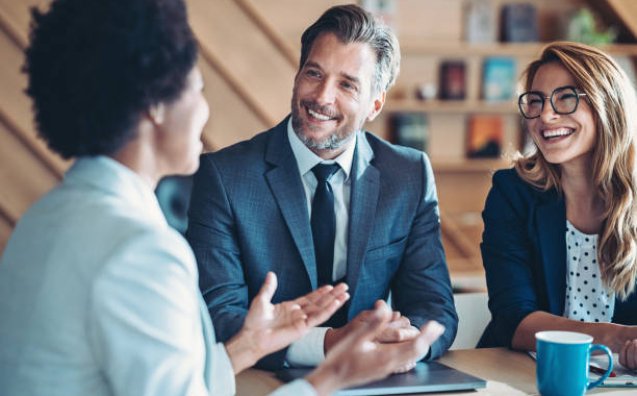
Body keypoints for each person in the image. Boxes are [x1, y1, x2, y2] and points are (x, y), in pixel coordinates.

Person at [0, 0, 445, 395]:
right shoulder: (140, 252)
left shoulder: (42, 219)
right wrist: (332, 375)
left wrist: (247, 346)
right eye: (198, 88)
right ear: (156, 104)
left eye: (347, 83)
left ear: (374, 103)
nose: (204, 110)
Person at [187, 3, 457, 370]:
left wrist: (406, 343)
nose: (322, 97)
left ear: (374, 105)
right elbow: (218, 316)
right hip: (261, 381)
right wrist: (331, 344)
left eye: (347, 84)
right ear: (297, 75)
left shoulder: (408, 174)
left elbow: (434, 306)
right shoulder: (225, 176)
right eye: (314, 73)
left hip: (376, 381)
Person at [479, 41, 637, 368]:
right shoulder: (512, 193)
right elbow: (513, 318)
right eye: (535, 101)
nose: (545, 115)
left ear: (609, 104)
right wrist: (615, 337)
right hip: (524, 375)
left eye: (566, 98)